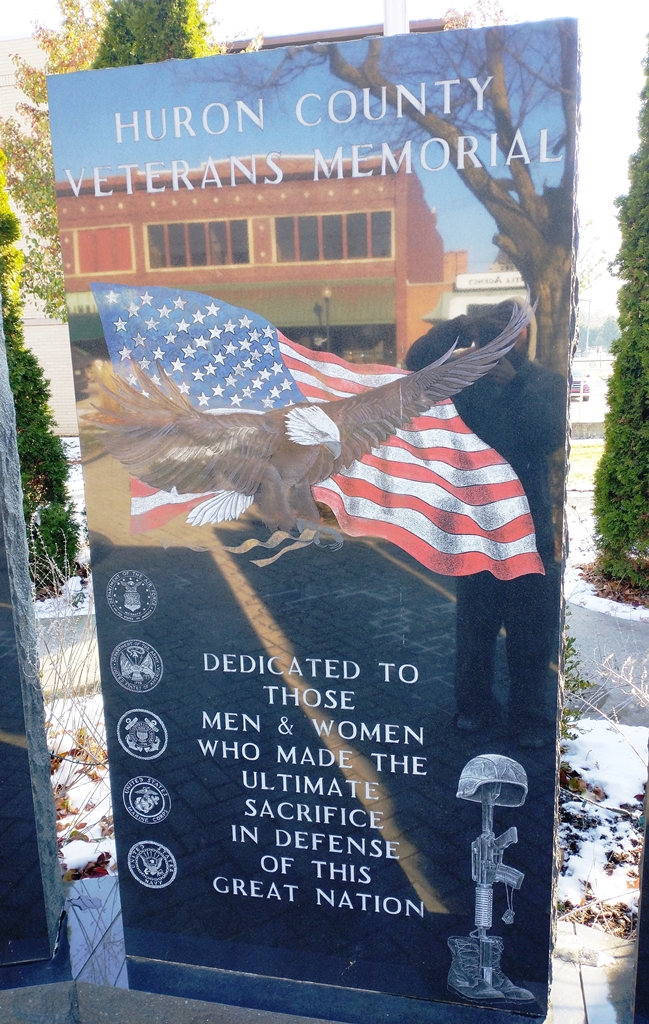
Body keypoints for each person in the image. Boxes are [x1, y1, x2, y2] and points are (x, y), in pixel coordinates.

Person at [405, 302, 565, 748]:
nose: (499, 343)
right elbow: (416, 364)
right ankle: (474, 708)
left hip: (529, 529)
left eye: (507, 333)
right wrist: (459, 326)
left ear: (523, 337)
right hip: (475, 526)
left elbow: (551, 436)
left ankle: (528, 718)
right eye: (492, 333)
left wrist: (515, 387)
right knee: (476, 628)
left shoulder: (547, 383)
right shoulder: (465, 379)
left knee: (530, 633)